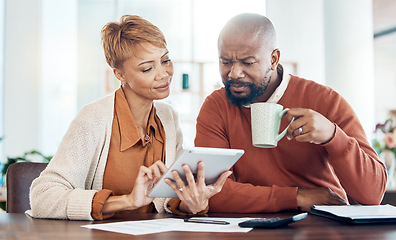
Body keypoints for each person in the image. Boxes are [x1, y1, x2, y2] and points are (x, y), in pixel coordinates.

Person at [29, 15, 231, 220]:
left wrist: (191, 203)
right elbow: (43, 198)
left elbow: (167, 196)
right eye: (147, 68)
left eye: (165, 60)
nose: (163, 74)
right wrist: (128, 201)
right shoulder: (93, 119)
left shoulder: (168, 117)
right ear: (120, 74)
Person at [195, 13, 387, 213]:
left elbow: (373, 194)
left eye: (248, 62)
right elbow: (211, 192)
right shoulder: (215, 106)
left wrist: (332, 135)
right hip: (250, 226)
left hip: (322, 224)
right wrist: (297, 197)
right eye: (225, 62)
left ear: (273, 59)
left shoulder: (325, 101)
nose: (234, 73)